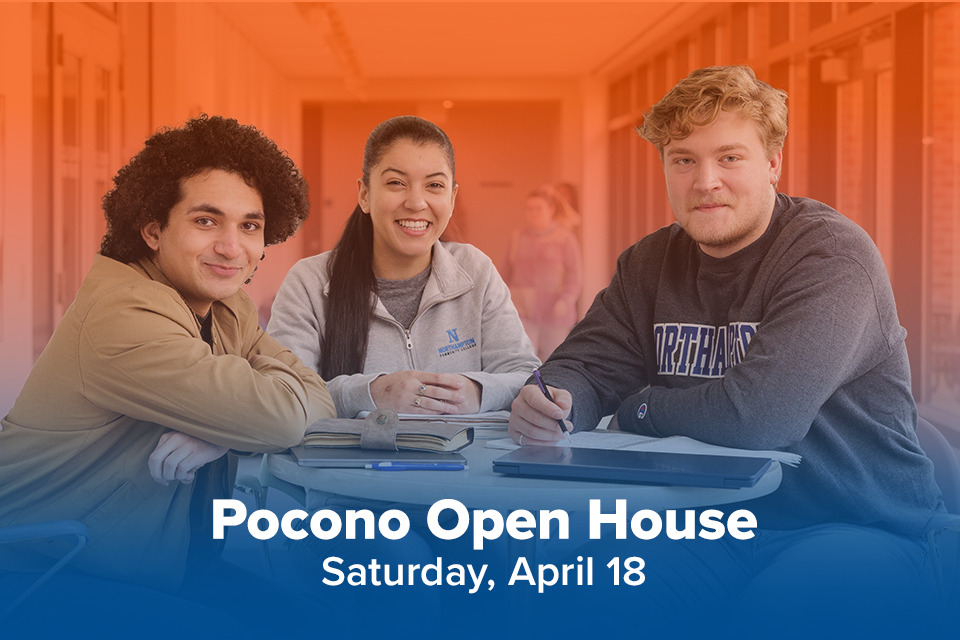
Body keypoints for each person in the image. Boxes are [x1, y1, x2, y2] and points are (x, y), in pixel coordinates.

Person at [509, 66, 945, 634]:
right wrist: (557, 398)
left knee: (773, 619)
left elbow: (759, 416)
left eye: (730, 158)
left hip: (852, 525)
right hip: (705, 527)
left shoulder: (830, 256)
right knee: (570, 599)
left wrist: (639, 407)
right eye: (684, 159)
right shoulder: (648, 263)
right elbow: (588, 363)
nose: (705, 180)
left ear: (773, 164)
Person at [0, 115, 336, 633]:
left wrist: (220, 434)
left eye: (249, 226)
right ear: (153, 229)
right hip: (45, 568)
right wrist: (242, 416)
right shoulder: (123, 316)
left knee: (323, 625)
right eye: (207, 221)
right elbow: (284, 418)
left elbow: (316, 395)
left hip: (160, 562)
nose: (232, 247)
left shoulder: (225, 307)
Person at [268, 115, 539, 418]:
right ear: (365, 195)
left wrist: (477, 391)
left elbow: (526, 375)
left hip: (460, 464)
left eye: (434, 185)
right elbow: (284, 394)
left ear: (452, 199)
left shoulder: (476, 271)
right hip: (349, 466)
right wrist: (373, 393)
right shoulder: (309, 282)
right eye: (396, 183)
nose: (416, 202)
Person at [501, 184, 583, 361]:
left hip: (555, 312)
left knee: (553, 361)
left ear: (551, 210)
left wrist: (566, 300)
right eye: (529, 209)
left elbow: (574, 277)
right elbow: (504, 274)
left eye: (538, 208)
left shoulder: (565, 238)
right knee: (523, 359)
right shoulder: (517, 237)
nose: (533, 213)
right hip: (522, 311)